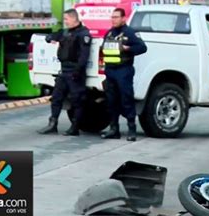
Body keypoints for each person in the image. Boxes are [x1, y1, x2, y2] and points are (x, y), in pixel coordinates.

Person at [38, 9, 91, 136]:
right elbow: (53, 36)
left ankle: (75, 127)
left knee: (77, 100)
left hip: (75, 71)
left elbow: (84, 56)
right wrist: (50, 38)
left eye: (67, 19)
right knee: (56, 98)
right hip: (63, 70)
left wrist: (77, 71)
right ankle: (52, 124)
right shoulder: (65, 32)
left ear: (74, 19)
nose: (65, 22)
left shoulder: (83, 34)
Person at [100, 8, 147, 142]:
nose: (113, 19)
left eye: (116, 17)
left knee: (126, 100)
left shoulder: (130, 33)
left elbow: (142, 47)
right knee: (111, 101)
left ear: (123, 18)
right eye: (112, 17)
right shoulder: (109, 33)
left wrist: (128, 48)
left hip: (123, 70)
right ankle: (114, 129)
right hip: (110, 71)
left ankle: (132, 129)